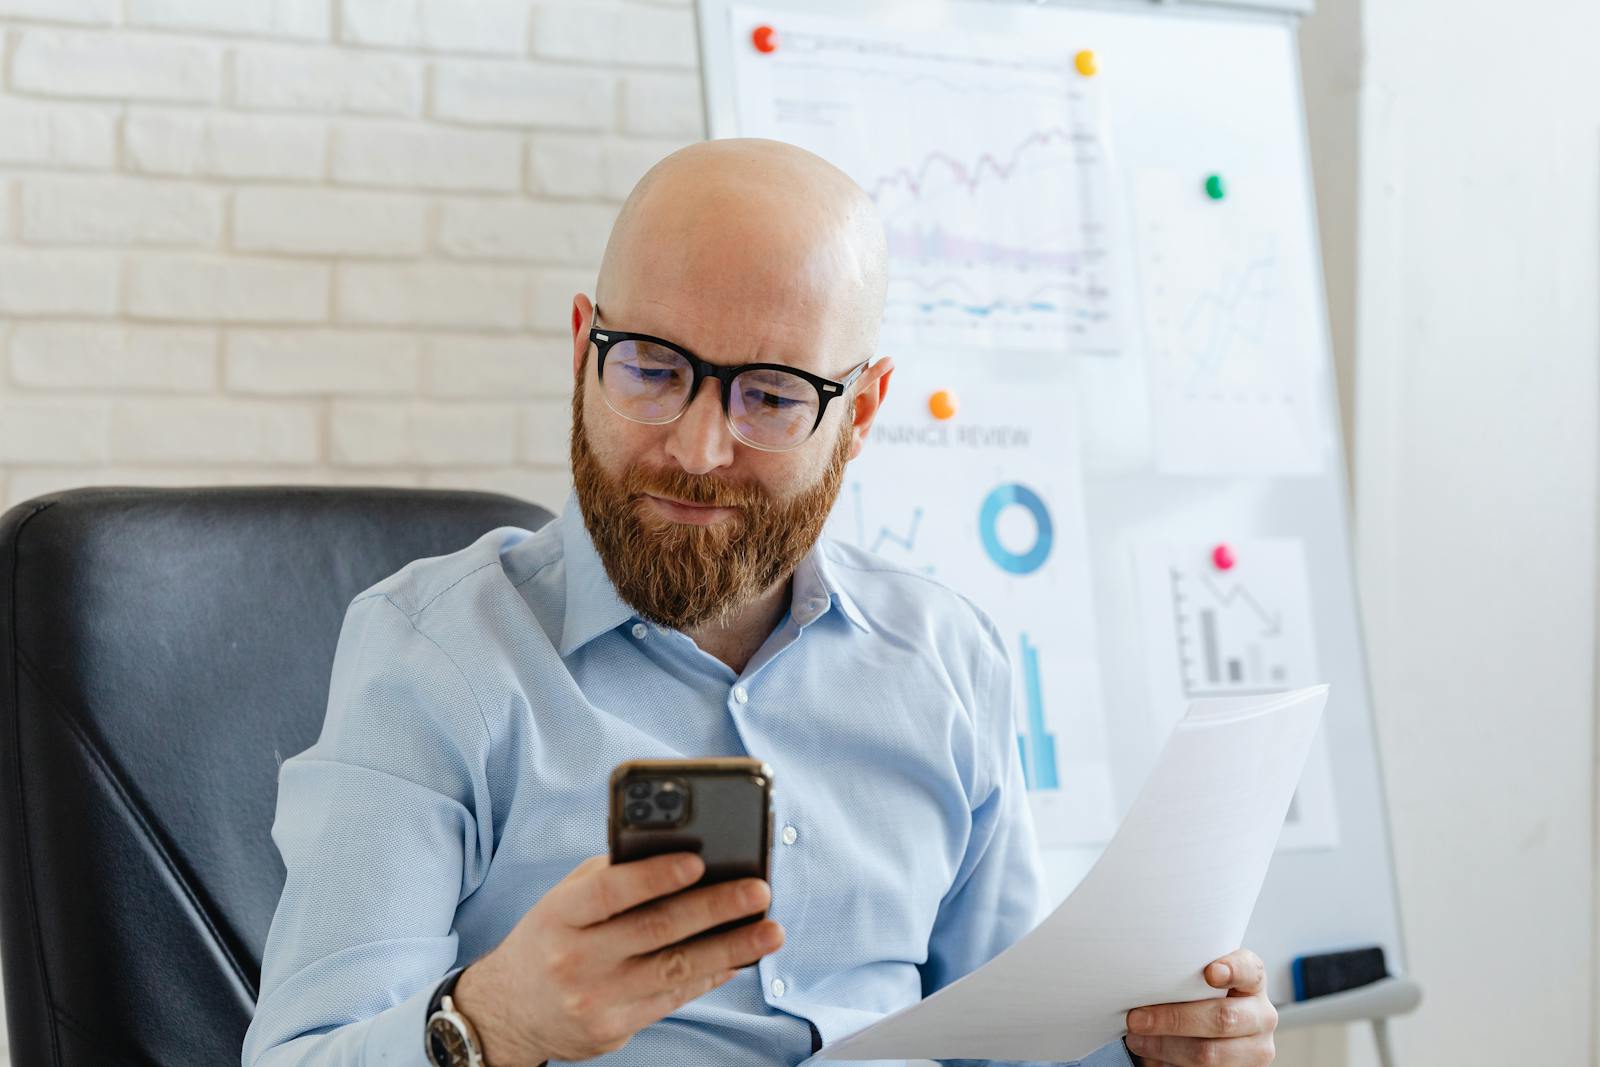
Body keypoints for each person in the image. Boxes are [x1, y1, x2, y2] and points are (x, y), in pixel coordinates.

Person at [243, 138, 1277, 1067]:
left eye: (771, 395)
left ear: (860, 411)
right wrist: (492, 1023)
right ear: (581, 348)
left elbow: (1013, 1040)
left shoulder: (945, 659)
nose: (696, 451)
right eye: (650, 369)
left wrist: (1156, 1051)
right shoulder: (433, 657)